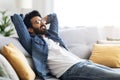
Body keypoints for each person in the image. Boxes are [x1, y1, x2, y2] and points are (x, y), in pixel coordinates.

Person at [11, 10, 120, 80]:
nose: (42, 23)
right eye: (37, 22)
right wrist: (28, 19)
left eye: (41, 21)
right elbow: (16, 19)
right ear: (30, 29)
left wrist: (42, 20)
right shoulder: (32, 42)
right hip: (71, 70)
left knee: (115, 72)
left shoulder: (52, 36)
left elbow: (54, 17)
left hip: (82, 63)